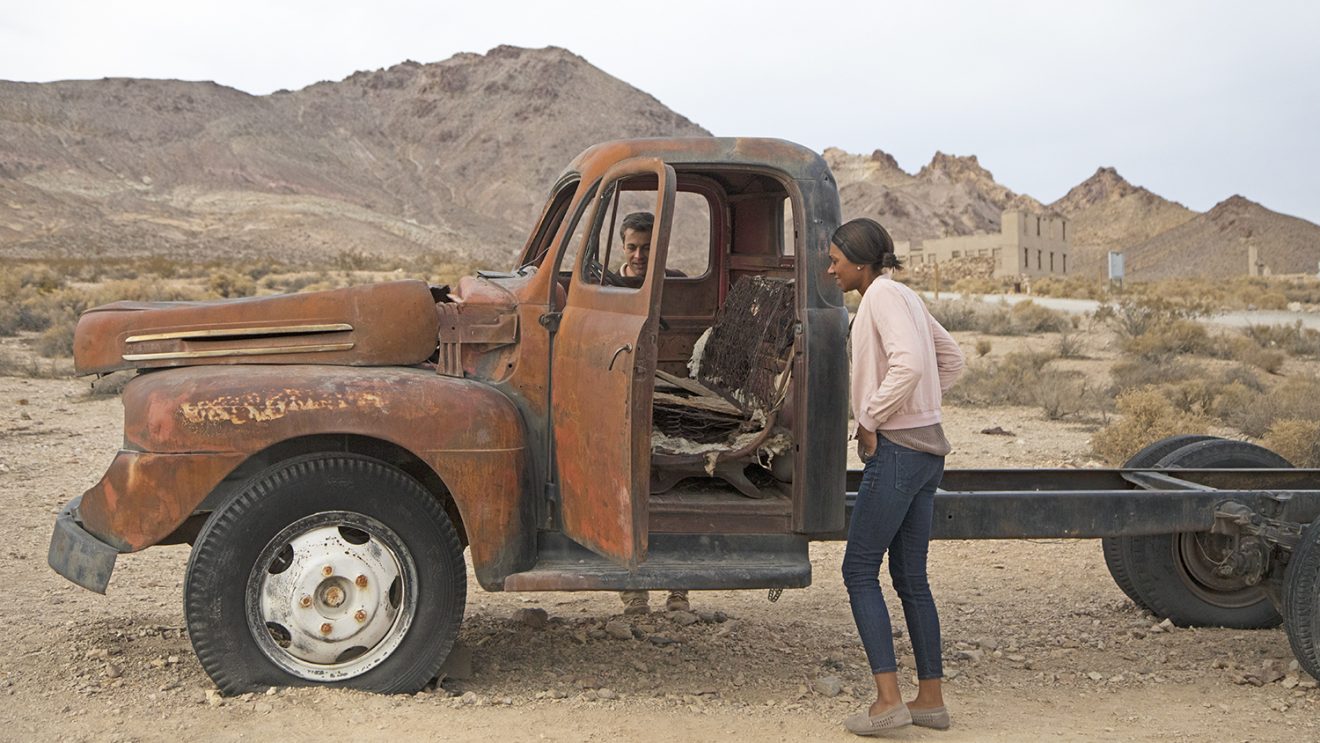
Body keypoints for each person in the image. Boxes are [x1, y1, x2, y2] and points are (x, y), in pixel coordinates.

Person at [826, 218, 965, 735]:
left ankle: (888, 702)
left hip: (900, 453)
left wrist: (872, 417)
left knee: (858, 571)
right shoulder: (905, 295)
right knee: (911, 579)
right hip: (928, 451)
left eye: (836, 260)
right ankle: (930, 700)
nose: (830, 268)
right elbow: (950, 359)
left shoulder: (881, 297)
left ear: (860, 263)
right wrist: (922, 407)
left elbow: (908, 364)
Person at [614, 209, 690, 616]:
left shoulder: (673, 282)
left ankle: (679, 590)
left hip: (666, 391)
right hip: (622, 395)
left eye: (646, 247)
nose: (639, 255)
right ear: (622, 247)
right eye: (632, 247)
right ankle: (633, 592)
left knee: (672, 490)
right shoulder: (607, 284)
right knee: (630, 495)